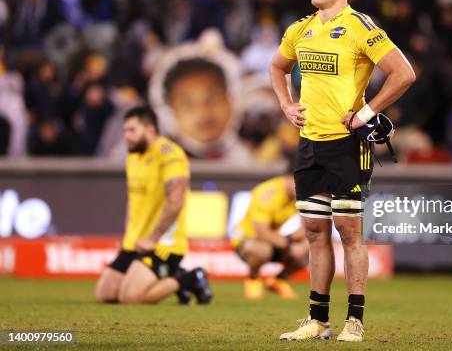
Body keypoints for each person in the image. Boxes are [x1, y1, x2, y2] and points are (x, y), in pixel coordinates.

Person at [269, 0, 415, 342]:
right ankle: (317, 319)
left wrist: (366, 111)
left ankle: (355, 320)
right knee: (315, 232)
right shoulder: (299, 29)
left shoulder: (361, 27)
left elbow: (404, 73)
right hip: (309, 144)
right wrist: (286, 105)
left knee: (349, 233)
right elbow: (277, 67)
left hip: (346, 145)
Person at [94, 106, 212, 305]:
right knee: (105, 295)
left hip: (163, 243)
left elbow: (176, 201)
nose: (126, 136)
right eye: (125, 131)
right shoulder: (133, 156)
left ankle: (191, 279)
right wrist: (129, 236)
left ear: (150, 130)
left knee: (130, 298)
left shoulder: (169, 154)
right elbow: (133, 199)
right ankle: (176, 275)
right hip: (136, 240)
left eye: (132, 130)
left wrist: (152, 238)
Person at [232, 173, 308, 299]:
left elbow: (308, 226)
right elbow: (261, 232)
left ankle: (279, 281)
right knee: (260, 250)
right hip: (249, 240)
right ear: (289, 178)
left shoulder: (302, 194)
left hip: (274, 240)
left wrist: (296, 238)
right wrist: (289, 244)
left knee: (311, 247)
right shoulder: (267, 192)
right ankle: (253, 280)